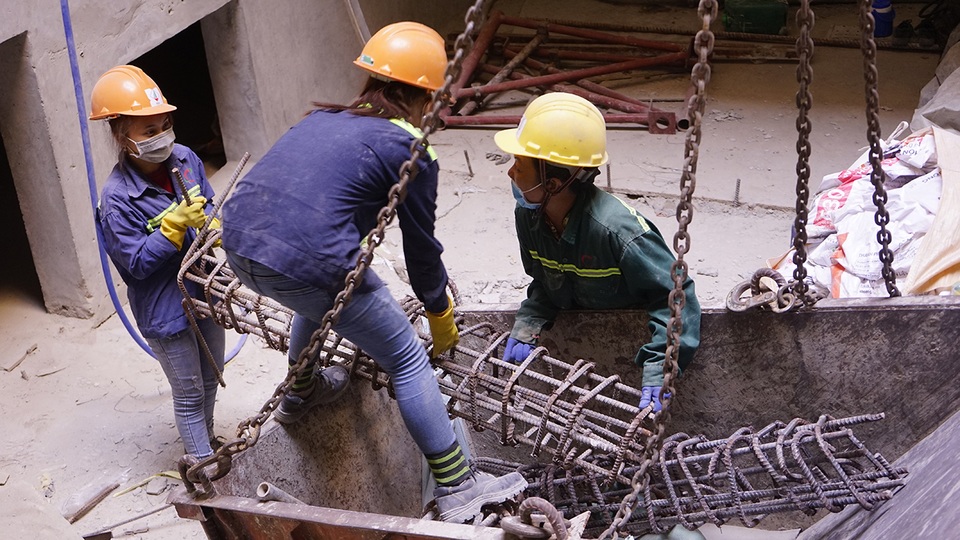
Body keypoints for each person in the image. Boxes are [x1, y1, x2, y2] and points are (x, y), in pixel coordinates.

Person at [220, 21, 526, 523]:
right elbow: (422, 251)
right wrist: (439, 311)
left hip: (241, 246)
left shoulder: (318, 120)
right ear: (427, 96)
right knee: (406, 358)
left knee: (315, 301)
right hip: (310, 260)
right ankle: (459, 486)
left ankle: (300, 394)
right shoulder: (410, 152)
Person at [494, 92, 701, 413]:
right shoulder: (529, 216)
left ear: (554, 182)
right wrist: (531, 319)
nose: (510, 173)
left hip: (631, 332)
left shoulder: (619, 232)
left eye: (519, 164)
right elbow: (544, 281)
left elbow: (676, 296)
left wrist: (661, 365)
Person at [90, 65, 225, 459]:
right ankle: (203, 466)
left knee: (213, 376)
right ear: (121, 136)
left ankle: (208, 443)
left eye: (164, 125)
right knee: (189, 392)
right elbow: (136, 264)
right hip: (164, 308)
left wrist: (211, 221)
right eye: (149, 132)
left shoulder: (184, 158)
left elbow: (211, 201)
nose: (162, 138)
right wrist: (170, 231)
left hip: (204, 289)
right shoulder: (116, 200)